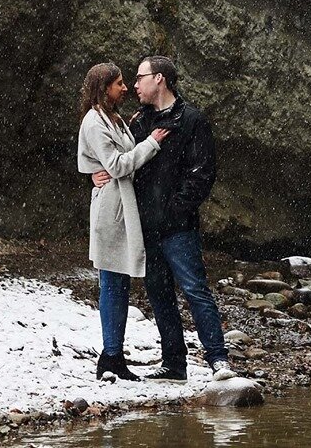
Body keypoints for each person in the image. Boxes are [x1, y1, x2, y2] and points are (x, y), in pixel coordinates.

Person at [94, 55, 234, 382]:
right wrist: (95, 173)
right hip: (145, 226)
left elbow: (202, 175)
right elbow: (121, 161)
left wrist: (174, 210)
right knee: (159, 295)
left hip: (178, 226)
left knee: (195, 289)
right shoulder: (138, 122)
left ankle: (218, 359)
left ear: (159, 79)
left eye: (140, 78)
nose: (134, 85)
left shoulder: (193, 121)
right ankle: (174, 364)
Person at [75, 62, 170, 382]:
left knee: (120, 283)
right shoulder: (94, 121)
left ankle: (114, 355)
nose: (126, 87)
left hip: (121, 206)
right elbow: (116, 166)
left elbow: (117, 164)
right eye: (118, 84)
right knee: (113, 285)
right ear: (104, 89)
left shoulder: (114, 119)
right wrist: (152, 143)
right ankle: (110, 356)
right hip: (111, 211)